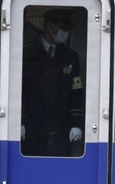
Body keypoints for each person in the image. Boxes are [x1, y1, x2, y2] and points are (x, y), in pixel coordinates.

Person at [21, 8, 85, 156]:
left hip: (61, 128)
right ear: (49, 26)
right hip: (32, 127)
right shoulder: (26, 54)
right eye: (62, 28)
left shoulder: (70, 56)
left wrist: (76, 124)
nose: (65, 33)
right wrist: (19, 122)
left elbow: (76, 91)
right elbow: (18, 90)